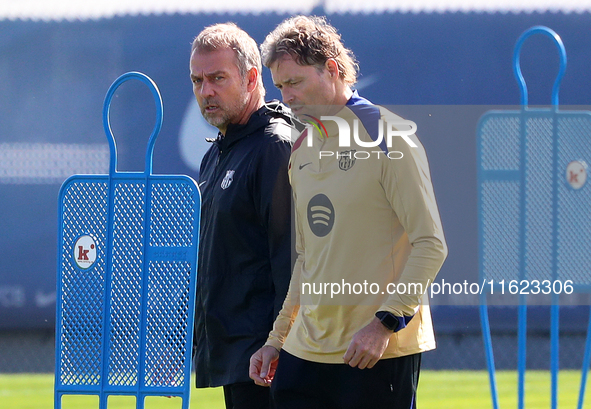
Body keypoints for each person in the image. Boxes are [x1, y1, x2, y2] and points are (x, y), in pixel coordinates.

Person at [249, 15, 448, 409]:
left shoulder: (390, 137)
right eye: (280, 86)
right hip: (304, 353)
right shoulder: (300, 149)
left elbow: (431, 244)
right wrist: (276, 340)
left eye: (295, 82)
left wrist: (383, 325)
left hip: (373, 353)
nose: (285, 97)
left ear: (333, 70)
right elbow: (307, 259)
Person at [190, 23, 297, 409]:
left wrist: (278, 345)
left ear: (252, 78)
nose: (206, 92)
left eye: (218, 78)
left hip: (266, 362)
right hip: (233, 356)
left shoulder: (274, 147)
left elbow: (291, 259)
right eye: (198, 81)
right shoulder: (218, 152)